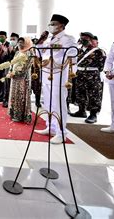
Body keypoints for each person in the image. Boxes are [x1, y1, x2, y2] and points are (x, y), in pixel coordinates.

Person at [35, 14, 77, 144]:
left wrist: (51, 61)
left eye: (53, 24)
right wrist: (40, 43)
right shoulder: (48, 40)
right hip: (47, 75)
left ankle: (61, 133)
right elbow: (39, 55)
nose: (51, 26)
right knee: (47, 104)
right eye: (50, 24)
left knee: (59, 105)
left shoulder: (68, 39)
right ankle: (51, 127)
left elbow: (71, 56)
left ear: (61, 26)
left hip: (59, 76)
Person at [69, 32, 106, 123]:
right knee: (80, 93)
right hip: (80, 73)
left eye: (85, 39)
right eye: (82, 38)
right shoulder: (79, 50)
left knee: (94, 95)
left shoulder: (98, 51)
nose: (83, 40)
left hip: (92, 75)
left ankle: (93, 114)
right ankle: (81, 111)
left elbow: (101, 66)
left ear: (91, 39)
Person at [7, 37, 33, 123]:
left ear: (26, 43)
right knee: (14, 96)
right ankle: (14, 113)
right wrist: (10, 71)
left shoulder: (29, 53)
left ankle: (21, 115)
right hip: (14, 78)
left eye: (22, 42)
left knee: (21, 96)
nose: (20, 44)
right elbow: (12, 63)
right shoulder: (17, 52)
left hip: (23, 79)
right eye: (19, 42)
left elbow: (26, 67)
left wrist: (16, 73)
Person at [2, 32, 20, 107]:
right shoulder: (8, 47)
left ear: (17, 40)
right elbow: (4, 59)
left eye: (14, 39)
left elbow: (17, 58)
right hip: (8, 67)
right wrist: (6, 52)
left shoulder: (19, 48)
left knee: (13, 85)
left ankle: (13, 101)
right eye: (11, 39)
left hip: (16, 68)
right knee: (6, 84)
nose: (12, 40)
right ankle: (5, 100)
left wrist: (12, 51)